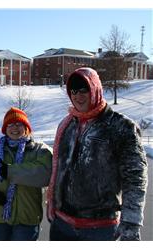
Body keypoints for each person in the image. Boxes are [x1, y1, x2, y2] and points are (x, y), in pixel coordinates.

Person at [47, 67, 148, 241]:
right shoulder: (67, 125)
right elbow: (58, 170)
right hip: (62, 225)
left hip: (100, 228)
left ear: (95, 88)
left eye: (84, 89)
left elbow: (135, 178)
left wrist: (131, 222)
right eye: (74, 91)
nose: (78, 96)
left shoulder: (120, 127)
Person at [0, 107, 52, 241]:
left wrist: (10, 171)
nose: (14, 127)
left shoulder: (39, 150)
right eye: (10, 124)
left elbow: (45, 174)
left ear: (26, 127)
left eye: (19, 124)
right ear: (5, 129)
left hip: (27, 217)